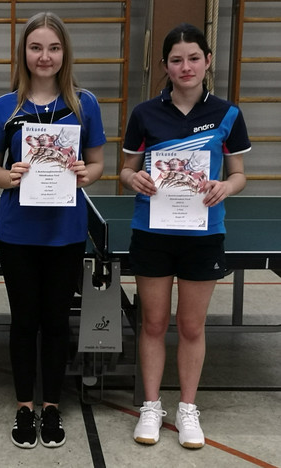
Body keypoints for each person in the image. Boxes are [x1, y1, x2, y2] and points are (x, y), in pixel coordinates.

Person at [120, 23, 250, 449]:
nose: (186, 66)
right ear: (165, 66)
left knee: (192, 326)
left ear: (207, 61)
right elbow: (126, 170)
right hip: (152, 231)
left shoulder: (228, 115)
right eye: (176, 60)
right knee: (154, 323)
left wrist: (226, 186)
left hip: (203, 233)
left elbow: (239, 175)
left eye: (194, 58)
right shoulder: (144, 114)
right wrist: (134, 179)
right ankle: (151, 406)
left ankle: (188, 408)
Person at [0, 12, 106, 449]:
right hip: (17, 233)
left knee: (55, 322)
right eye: (36, 47)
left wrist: (85, 173)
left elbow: (97, 163)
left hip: (65, 233)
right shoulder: (5, 107)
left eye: (53, 48)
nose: (45, 56)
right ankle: (24, 407)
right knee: (23, 322)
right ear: (24, 53)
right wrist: (9, 176)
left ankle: (51, 406)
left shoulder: (85, 104)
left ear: (64, 53)